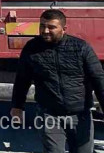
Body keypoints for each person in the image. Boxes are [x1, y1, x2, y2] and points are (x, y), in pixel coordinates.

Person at [11, 9, 104, 153]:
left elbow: (99, 79)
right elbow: (22, 79)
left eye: (51, 27)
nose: (45, 31)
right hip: (49, 115)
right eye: (42, 26)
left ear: (64, 29)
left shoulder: (81, 48)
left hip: (80, 115)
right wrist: (17, 106)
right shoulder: (32, 48)